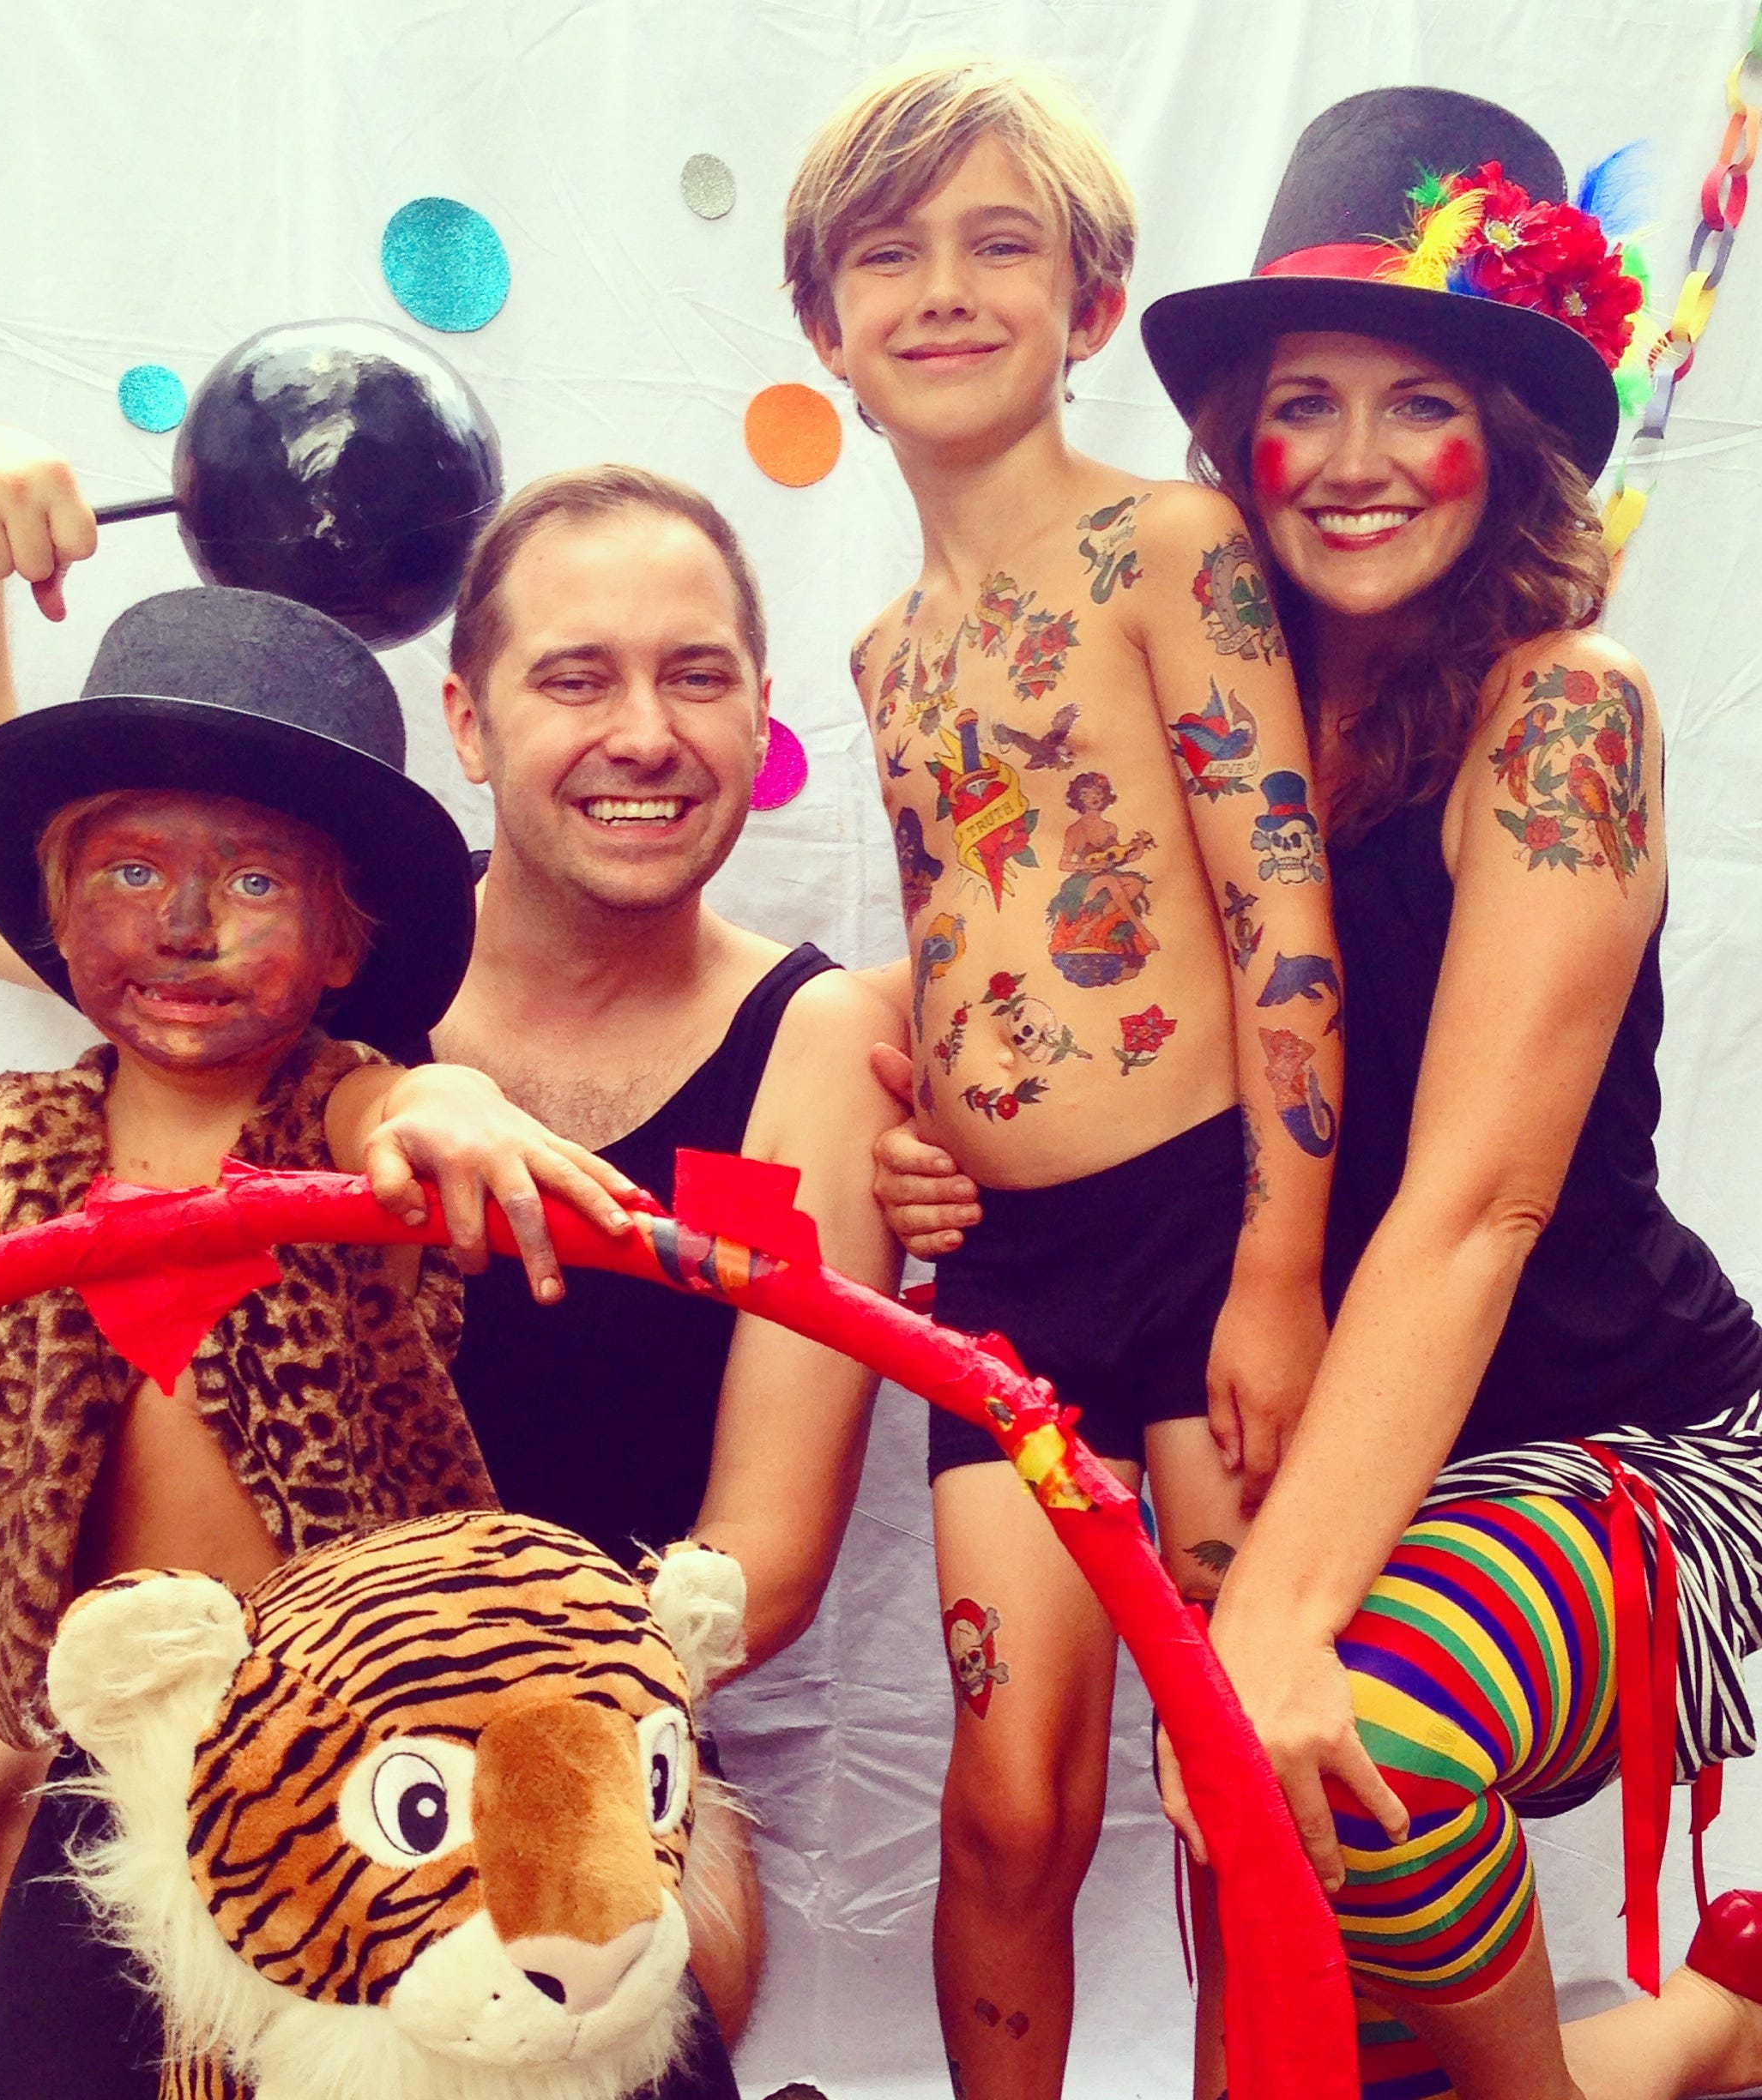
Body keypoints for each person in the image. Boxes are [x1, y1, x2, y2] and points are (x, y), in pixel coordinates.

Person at [890, 85, 1762, 2100]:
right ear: (1237, 437)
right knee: (1289, 2009)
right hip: (1330, 1436)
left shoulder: (1569, 715)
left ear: (1510, 439)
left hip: (1622, 1442)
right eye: (1308, 401)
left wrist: (1276, 1619)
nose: (1357, 466)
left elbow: (1478, 1209)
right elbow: (1015, 933)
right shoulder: (1213, 662)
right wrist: (906, 1097)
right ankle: (1710, 2039)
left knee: (1345, 1722)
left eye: (1419, 402)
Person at [0, 439, 902, 2049]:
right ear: (471, 726)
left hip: (559, 1696)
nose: (645, 732)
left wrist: (477, 1702)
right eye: (577, 675)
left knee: (686, 1948)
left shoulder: (818, 1037)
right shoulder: (323, 940)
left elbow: (767, 1554)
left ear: (761, 717)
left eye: (698, 676)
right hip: (248, 1665)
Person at [0, 583, 646, 2092]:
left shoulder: (339, 1115)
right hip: (130, 1750)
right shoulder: (17, 1145)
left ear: (339, 941)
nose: (184, 927)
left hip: (385, 1738)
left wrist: (450, 1104)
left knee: (494, 2045)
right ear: (57, 918)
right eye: (130, 871)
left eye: (254, 883)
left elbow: (410, 1115)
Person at [782, 56, 1342, 2100]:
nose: (944, 289)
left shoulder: (1167, 547)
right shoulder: (883, 650)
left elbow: (1279, 908)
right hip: (1008, 1286)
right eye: (891, 256)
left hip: (1205, 1236)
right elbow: (957, 927)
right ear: (826, 335)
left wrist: (1280, 1264)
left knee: (1240, 1779)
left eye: (999, 244)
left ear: (1089, 302)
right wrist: (926, 1141)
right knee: (1009, 1797)